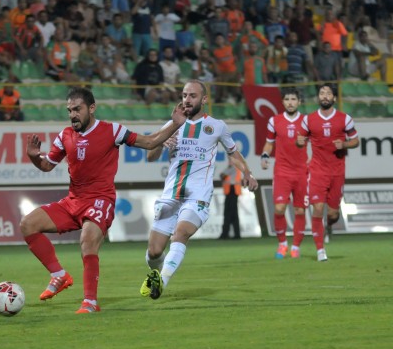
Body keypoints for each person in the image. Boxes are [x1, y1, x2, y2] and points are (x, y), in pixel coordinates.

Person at [21, 87, 187, 313]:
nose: (72, 115)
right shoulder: (65, 136)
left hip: (100, 200)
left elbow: (149, 143)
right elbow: (47, 166)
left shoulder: (113, 131)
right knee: (27, 224)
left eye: (77, 109)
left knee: (87, 239)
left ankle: (90, 302)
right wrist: (33, 157)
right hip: (73, 201)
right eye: (69, 110)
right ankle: (59, 275)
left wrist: (176, 123)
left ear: (91, 108)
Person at [140, 79, 258, 300]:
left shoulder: (216, 126)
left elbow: (233, 153)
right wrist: (162, 143)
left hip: (197, 196)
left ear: (204, 100)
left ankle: (161, 283)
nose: (187, 100)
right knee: (154, 252)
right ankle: (157, 272)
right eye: (184, 95)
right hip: (171, 196)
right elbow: (149, 155)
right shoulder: (172, 124)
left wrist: (248, 173)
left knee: (181, 233)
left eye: (192, 96)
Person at [296, 84, 359, 261]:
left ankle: (329, 226)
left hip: (337, 172)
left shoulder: (344, 119)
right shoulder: (309, 119)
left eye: (328, 93)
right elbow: (300, 141)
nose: (324, 96)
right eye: (322, 93)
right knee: (317, 208)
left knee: (332, 214)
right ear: (318, 97)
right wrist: (300, 142)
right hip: (317, 171)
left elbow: (355, 141)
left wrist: (345, 144)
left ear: (333, 98)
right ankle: (320, 251)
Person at [261, 89, 308, 259]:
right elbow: (269, 143)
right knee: (280, 208)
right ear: (283, 102)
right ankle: (282, 244)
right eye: (287, 99)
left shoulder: (306, 121)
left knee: (300, 211)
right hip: (282, 171)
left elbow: (316, 143)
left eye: (293, 99)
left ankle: (296, 246)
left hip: (302, 171)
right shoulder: (275, 121)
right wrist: (265, 155)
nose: (290, 102)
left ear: (299, 102)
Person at [219, 156, 242, 240]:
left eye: (231, 160)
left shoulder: (233, 168)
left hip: (233, 192)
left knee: (230, 214)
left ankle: (227, 234)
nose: (229, 162)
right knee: (231, 214)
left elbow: (222, 175)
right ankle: (234, 234)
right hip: (230, 192)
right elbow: (222, 176)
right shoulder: (234, 168)